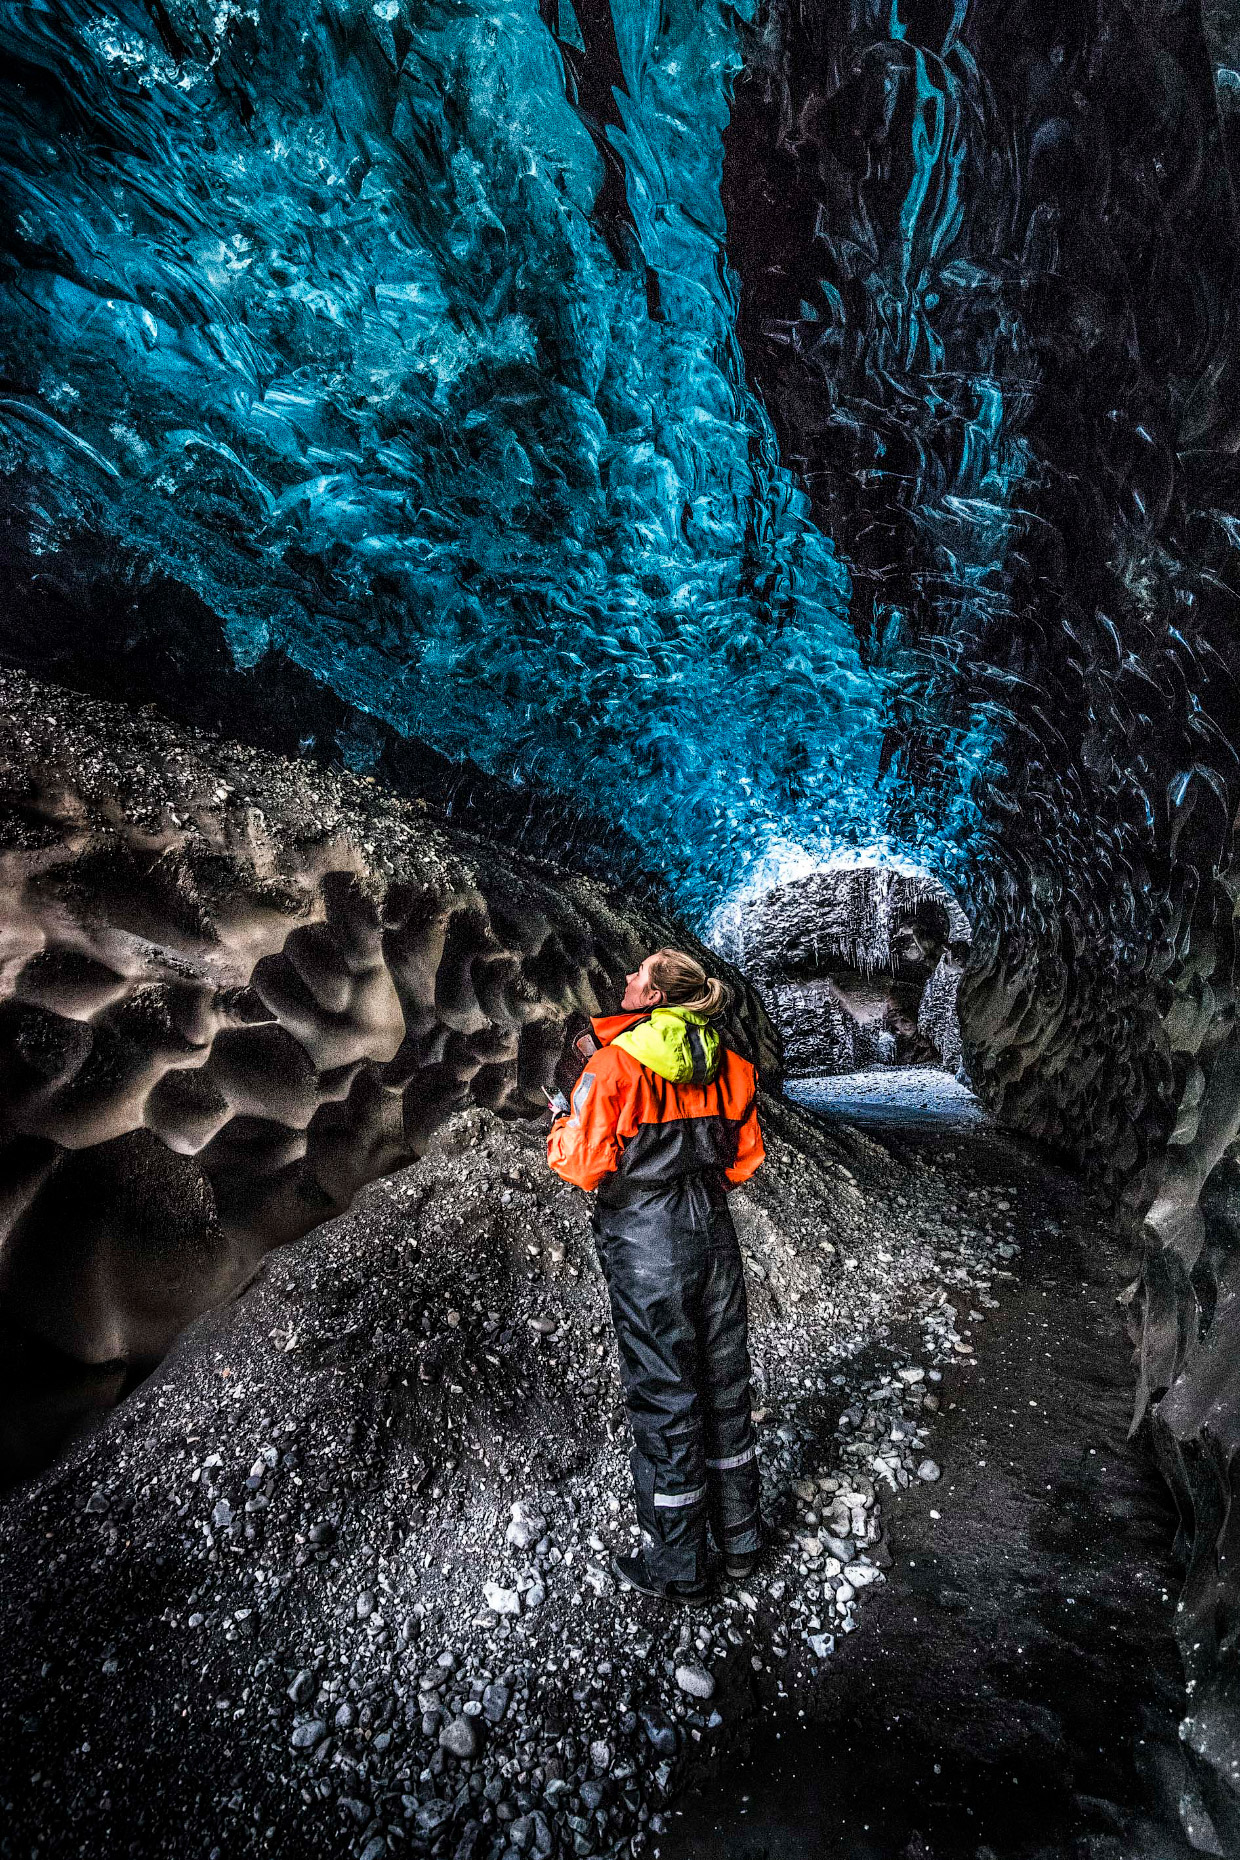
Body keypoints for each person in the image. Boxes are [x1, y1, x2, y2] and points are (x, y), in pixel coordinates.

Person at [547, 947, 765, 1601]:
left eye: (637, 975)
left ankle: (679, 1568)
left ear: (653, 996)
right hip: (713, 1237)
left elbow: (579, 1166)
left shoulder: (614, 1067)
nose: (625, 979)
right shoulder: (733, 1067)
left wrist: (560, 1119)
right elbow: (743, 1160)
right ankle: (742, 1544)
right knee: (725, 1387)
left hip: (647, 1246)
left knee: (668, 1399)